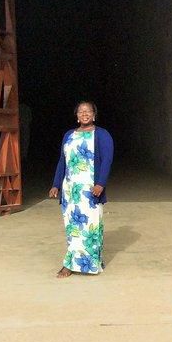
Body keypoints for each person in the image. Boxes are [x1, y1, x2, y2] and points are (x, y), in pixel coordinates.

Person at [48, 101, 114, 278]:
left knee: (91, 227)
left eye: (88, 111)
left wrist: (101, 184)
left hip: (91, 191)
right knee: (73, 228)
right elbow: (63, 161)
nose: (84, 114)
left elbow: (107, 160)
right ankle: (70, 264)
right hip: (70, 190)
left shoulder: (102, 134)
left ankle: (92, 263)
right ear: (76, 116)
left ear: (94, 114)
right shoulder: (69, 135)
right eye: (81, 112)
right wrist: (56, 184)